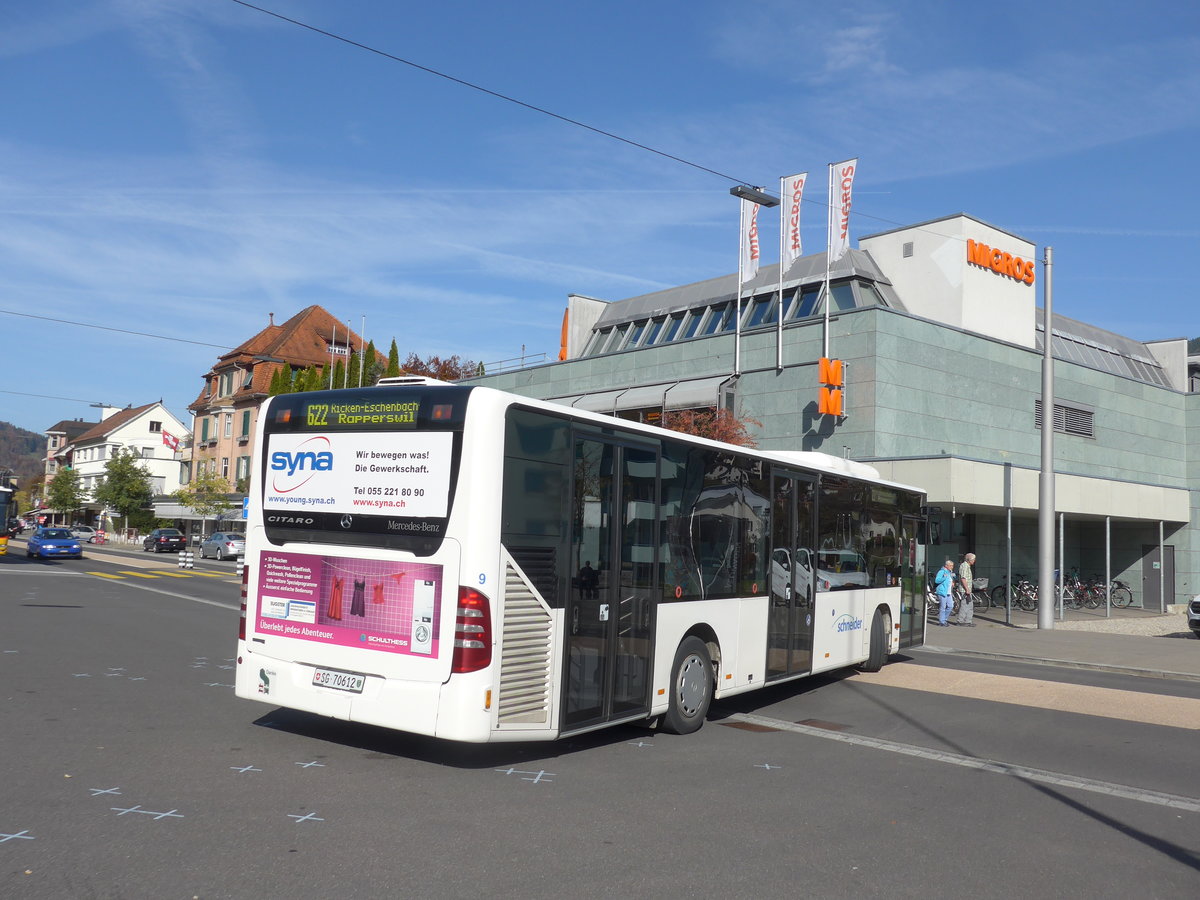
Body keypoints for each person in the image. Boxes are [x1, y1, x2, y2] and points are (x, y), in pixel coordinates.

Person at [956, 552, 977, 626]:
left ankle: (968, 621)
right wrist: (967, 589)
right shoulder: (964, 566)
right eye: (974, 559)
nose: (974, 561)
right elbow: (963, 578)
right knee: (965, 605)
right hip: (964, 590)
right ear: (969, 560)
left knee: (970, 606)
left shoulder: (967, 566)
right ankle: (960, 621)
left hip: (968, 590)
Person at [933, 559, 956, 626]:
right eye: (951, 566)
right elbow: (937, 580)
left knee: (950, 606)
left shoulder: (950, 572)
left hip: (949, 592)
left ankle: (944, 619)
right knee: (943, 607)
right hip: (942, 591)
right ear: (946, 566)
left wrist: (952, 582)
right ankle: (942, 622)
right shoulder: (941, 571)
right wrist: (944, 578)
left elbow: (951, 579)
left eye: (952, 566)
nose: (952, 567)